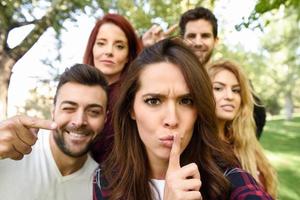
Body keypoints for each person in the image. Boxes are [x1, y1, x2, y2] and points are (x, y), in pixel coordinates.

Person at [93, 39, 273, 200]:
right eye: (153, 101)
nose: (172, 120)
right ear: (131, 108)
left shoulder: (228, 177)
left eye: (186, 101)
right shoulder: (106, 179)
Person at [142, 7, 266, 139]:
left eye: (205, 36)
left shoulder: (231, 77)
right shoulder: (171, 74)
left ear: (216, 40)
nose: (198, 42)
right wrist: (152, 52)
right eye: (191, 36)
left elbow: (256, 117)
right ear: (181, 40)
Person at [0, 64, 108, 200]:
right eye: (69, 108)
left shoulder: (102, 187)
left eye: (94, 112)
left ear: (105, 118)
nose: (79, 121)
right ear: (53, 111)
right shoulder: (10, 149)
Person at [206, 60, 277, 199]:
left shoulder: (245, 141)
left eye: (236, 90)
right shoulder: (201, 147)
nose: (229, 96)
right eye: (218, 88)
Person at [83, 13, 142, 163]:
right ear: (92, 49)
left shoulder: (135, 97)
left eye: (119, 46)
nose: (109, 51)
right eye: (101, 43)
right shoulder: (75, 91)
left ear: (129, 55)